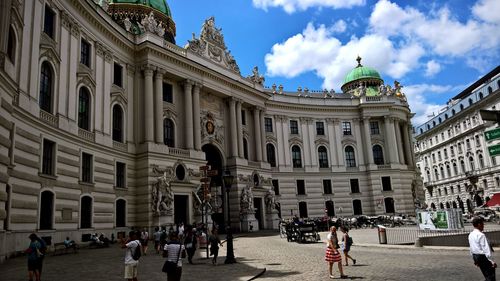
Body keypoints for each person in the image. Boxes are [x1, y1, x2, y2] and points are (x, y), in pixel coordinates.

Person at [469, 216, 497, 281]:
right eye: (482, 224)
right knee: (491, 277)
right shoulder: (481, 235)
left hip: (476, 256)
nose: (483, 226)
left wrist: (475, 260)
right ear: (479, 224)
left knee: (486, 275)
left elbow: (471, 248)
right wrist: (492, 261)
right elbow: (486, 249)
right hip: (483, 257)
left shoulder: (471, 234)